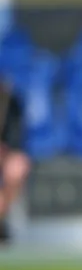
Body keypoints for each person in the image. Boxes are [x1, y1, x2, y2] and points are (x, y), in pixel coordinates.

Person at [0, 83, 30, 235]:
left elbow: (16, 136)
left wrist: (7, 148)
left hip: (6, 153)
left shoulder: (9, 101)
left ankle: (1, 218)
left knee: (17, 166)